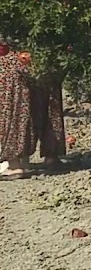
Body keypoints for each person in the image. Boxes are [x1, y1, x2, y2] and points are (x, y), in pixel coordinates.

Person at [0, 51, 66, 179]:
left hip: (13, 60)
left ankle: (14, 165)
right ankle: (51, 156)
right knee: (48, 102)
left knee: (15, 109)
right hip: (44, 57)